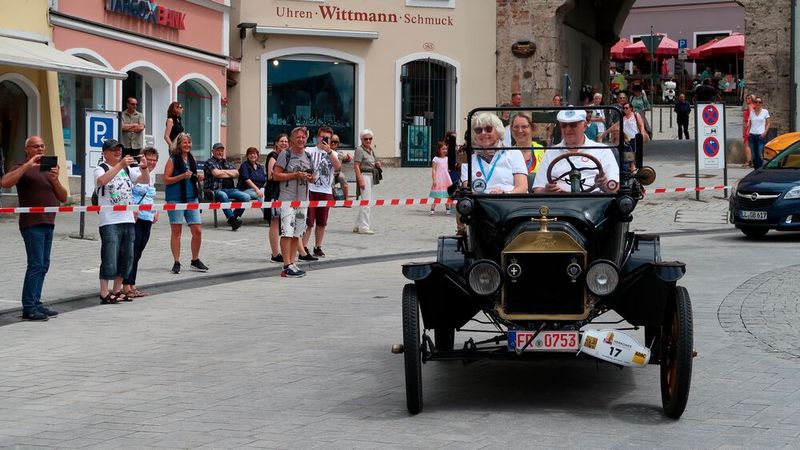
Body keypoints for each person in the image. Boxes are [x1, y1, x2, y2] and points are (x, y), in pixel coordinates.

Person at [0, 136, 67, 321]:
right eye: (35, 146)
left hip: (49, 223)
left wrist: (55, 179)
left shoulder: (47, 169)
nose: (40, 149)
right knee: (36, 265)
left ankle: (36, 303)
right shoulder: (21, 167)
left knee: (43, 265)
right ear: (27, 149)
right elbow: (5, 182)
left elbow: (63, 197)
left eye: (42, 146)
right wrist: (28, 165)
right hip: (32, 224)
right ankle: (29, 307)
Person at [95, 139, 150, 304]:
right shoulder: (101, 168)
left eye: (119, 149)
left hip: (127, 218)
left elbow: (144, 180)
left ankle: (117, 290)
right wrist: (120, 165)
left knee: (127, 256)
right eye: (113, 150)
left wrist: (145, 166)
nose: (118, 152)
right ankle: (104, 293)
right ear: (105, 153)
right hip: (109, 220)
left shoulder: (126, 169)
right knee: (110, 256)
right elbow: (101, 181)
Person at [532, 109, 619, 194]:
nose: (568, 129)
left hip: (594, 203)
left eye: (573, 125)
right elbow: (538, 189)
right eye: (564, 125)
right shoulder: (551, 152)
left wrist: (603, 185)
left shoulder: (602, 150)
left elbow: (615, 189)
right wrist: (547, 191)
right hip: (558, 203)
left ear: (584, 126)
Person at [273, 127, 314, 278]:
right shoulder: (286, 154)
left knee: (297, 233)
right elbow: (276, 175)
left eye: (303, 137)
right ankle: (286, 265)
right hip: (287, 199)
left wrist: (309, 177)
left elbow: (313, 177)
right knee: (287, 232)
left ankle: (293, 262)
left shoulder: (308, 156)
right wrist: (295, 174)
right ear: (292, 140)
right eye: (298, 137)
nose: (301, 140)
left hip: (303, 199)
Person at [163, 132, 207, 274]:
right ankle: (176, 261)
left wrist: (197, 177)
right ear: (179, 145)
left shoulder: (192, 158)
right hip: (175, 198)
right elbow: (166, 179)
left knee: (197, 231)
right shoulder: (173, 159)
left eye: (189, 142)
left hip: (191, 197)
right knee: (177, 232)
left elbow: (191, 176)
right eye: (184, 143)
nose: (187, 145)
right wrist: (182, 176)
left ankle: (195, 260)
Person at [460, 112, 528, 195]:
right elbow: (468, 190)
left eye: (488, 129)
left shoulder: (513, 154)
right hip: (479, 204)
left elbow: (522, 187)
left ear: (498, 131)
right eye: (478, 130)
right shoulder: (469, 160)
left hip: (508, 203)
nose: (483, 133)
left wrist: (505, 194)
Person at [122, 147, 159, 298]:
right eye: (148, 159)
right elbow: (127, 192)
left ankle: (132, 283)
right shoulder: (135, 172)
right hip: (135, 217)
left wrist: (155, 211)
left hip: (147, 218)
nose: (151, 162)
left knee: (138, 253)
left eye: (154, 160)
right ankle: (127, 285)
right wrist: (131, 209)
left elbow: (150, 197)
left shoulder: (151, 176)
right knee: (132, 252)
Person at [303, 126, 341, 258]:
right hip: (311, 189)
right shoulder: (309, 150)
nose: (325, 140)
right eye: (323, 137)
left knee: (322, 222)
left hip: (325, 190)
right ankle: (304, 247)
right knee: (308, 221)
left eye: (328, 138)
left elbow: (337, 167)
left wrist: (329, 151)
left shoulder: (333, 153)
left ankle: (318, 246)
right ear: (318, 137)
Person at [204, 142, 251, 231]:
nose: (220, 152)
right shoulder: (209, 162)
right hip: (214, 190)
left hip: (230, 190)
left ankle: (233, 217)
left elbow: (237, 173)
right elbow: (216, 174)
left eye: (222, 151)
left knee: (246, 197)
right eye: (218, 150)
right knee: (223, 195)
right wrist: (229, 173)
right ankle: (232, 220)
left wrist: (223, 172)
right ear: (212, 151)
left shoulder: (225, 162)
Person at [353, 129, 382, 234]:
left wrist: (377, 163)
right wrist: (360, 179)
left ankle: (357, 225)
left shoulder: (370, 149)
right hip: (364, 175)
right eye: (366, 139)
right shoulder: (359, 150)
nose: (368, 141)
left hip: (371, 176)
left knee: (366, 201)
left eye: (370, 138)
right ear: (361, 139)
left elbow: (375, 160)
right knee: (367, 202)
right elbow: (356, 165)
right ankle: (364, 227)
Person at [266, 134, 289, 263]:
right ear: (276, 143)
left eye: (286, 141)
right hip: (274, 192)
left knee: (282, 222)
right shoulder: (273, 156)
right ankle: (275, 253)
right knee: (274, 222)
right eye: (281, 141)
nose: (284, 143)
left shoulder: (285, 156)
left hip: (284, 192)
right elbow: (271, 176)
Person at [509, 112, 544, 190]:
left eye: (524, 127)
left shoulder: (544, 152)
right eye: (516, 127)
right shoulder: (506, 154)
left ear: (532, 128)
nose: (520, 130)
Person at [746, 97, 771, 169]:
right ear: (754, 103)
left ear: (761, 103)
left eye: (759, 102)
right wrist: (748, 131)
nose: (758, 103)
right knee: (753, 154)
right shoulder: (752, 112)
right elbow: (750, 123)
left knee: (760, 154)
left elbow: (768, 123)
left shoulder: (765, 112)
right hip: (752, 135)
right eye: (756, 102)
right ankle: (756, 170)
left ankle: (760, 169)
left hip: (760, 135)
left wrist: (765, 132)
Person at [429, 141, 452, 215]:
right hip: (439, 178)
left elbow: (448, 167)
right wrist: (434, 179)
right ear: (439, 150)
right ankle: (432, 208)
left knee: (446, 194)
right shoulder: (435, 159)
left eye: (446, 149)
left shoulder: (447, 158)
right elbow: (433, 169)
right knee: (436, 194)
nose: (445, 150)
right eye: (443, 149)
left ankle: (447, 208)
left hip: (446, 178)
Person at [331, 134, 351, 200]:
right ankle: (331, 199)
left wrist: (348, 158)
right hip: (329, 174)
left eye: (335, 142)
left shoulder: (340, 153)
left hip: (338, 173)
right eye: (332, 142)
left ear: (338, 143)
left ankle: (346, 198)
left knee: (342, 177)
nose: (333, 143)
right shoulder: (326, 152)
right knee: (331, 181)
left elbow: (346, 159)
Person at [742, 94, 755, 167]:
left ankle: (748, 161)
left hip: (748, 127)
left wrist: (748, 127)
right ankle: (752, 161)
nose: (747, 100)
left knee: (747, 145)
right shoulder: (754, 106)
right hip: (751, 127)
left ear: (752, 99)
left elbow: (751, 116)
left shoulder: (750, 106)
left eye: (749, 98)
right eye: (746, 98)